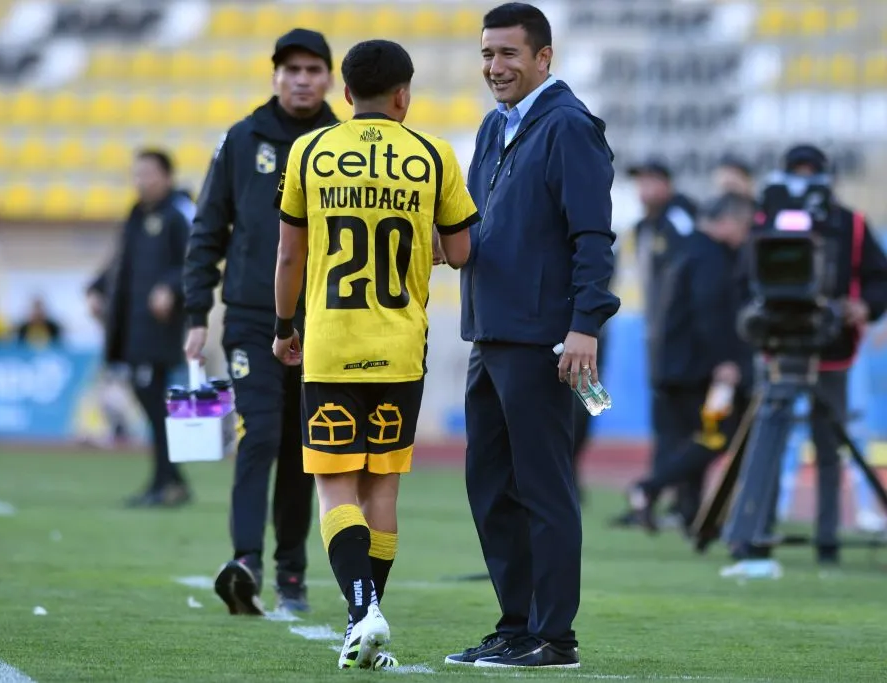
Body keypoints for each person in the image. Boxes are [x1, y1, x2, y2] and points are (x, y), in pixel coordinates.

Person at [272, 39, 475, 670]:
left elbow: (289, 256)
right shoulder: (432, 154)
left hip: (332, 344)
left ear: (344, 91)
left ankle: (362, 615)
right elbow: (462, 251)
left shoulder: (310, 150)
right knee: (380, 487)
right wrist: (425, 249)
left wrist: (284, 326)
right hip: (400, 348)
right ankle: (365, 619)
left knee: (334, 489)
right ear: (403, 95)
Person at [447, 3, 619, 670]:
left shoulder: (570, 127)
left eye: (509, 54)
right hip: (489, 334)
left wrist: (584, 325)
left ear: (544, 58)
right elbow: (474, 229)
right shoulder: (495, 128)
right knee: (490, 485)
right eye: (488, 54)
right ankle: (517, 623)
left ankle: (556, 635)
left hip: (545, 340)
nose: (495, 67)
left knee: (544, 488)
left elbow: (593, 238)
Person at [183, 28, 338, 615]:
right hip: (251, 316)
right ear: (275, 75)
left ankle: (291, 572)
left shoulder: (340, 143)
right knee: (260, 435)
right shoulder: (242, 140)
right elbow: (208, 228)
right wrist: (197, 311)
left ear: (329, 79)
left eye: (313, 70)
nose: (302, 79)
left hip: (323, 317)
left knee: (305, 447)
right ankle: (245, 560)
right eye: (292, 69)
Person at [721, 144, 887, 573]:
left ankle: (827, 538)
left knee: (830, 447)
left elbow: (878, 281)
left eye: (811, 171)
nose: (804, 178)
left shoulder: (851, 225)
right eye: (797, 170)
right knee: (768, 440)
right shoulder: (764, 222)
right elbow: (743, 282)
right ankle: (758, 531)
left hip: (831, 346)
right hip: (775, 344)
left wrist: (863, 308)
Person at [625, 193, 756, 531]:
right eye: (744, 226)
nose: (746, 235)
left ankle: (692, 515)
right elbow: (709, 314)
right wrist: (725, 360)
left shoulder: (687, 248)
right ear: (728, 222)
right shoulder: (711, 257)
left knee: (691, 438)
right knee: (717, 436)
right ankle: (648, 487)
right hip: (698, 369)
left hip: (673, 365)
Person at [87, 149, 191, 508]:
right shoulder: (136, 214)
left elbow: (194, 260)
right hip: (131, 325)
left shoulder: (177, 215)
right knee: (151, 403)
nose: (141, 180)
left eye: (148, 173)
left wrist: (170, 288)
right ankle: (170, 479)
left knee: (155, 403)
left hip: (159, 327)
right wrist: (98, 287)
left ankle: (166, 482)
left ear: (166, 176)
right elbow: (121, 261)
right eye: (137, 174)